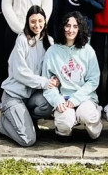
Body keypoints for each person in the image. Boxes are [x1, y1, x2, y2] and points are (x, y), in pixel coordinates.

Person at [0, 5, 55, 147]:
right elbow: (20, 72)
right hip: (15, 95)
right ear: (27, 22)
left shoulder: (49, 41)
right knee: (28, 140)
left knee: (48, 104)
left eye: (40, 21)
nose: (37, 25)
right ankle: (0, 120)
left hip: (31, 96)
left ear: (45, 21)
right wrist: (44, 82)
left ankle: (26, 120)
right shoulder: (22, 40)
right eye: (33, 21)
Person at [41, 11, 103, 140]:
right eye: (67, 25)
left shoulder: (88, 51)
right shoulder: (52, 52)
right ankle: (63, 130)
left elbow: (93, 80)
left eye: (75, 26)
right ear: (62, 27)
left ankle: (95, 123)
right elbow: (48, 83)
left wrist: (76, 99)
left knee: (87, 115)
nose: (71, 30)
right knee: (65, 122)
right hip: (63, 98)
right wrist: (57, 100)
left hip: (85, 97)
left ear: (80, 29)